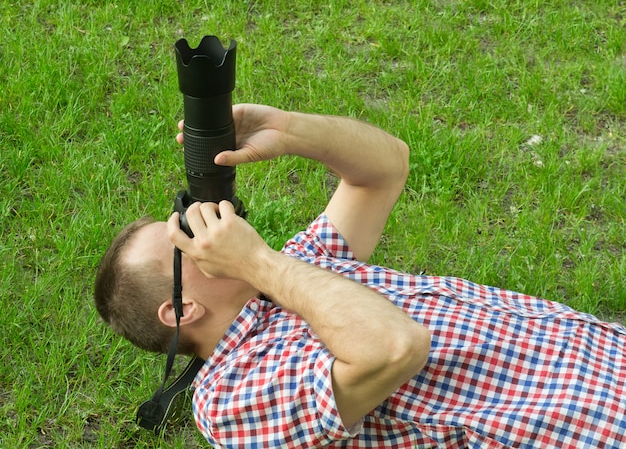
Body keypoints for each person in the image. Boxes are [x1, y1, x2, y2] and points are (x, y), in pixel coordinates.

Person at [95, 104, 626, 448]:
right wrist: (256, 262)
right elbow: (395, 347)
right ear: (182, 309)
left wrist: (289, 130)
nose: (205, 229)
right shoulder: (230, 397)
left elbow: (385, 168)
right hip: (591, 427)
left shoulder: (294, 273)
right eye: (185, 243)